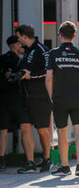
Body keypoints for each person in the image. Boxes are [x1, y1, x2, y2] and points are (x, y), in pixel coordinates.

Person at [46, 21, 79, 177]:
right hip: (78, 99)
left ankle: (65, 167)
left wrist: (51, 97)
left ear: (60, 36)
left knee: (62, 132)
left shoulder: (53, 54)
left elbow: (48, 78)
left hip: (59, 98)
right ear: (74, 36)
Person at [15, 25, 52, 173]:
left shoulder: (42, 49)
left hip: (40, 97)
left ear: (24, 36)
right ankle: (29, 162)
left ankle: (47, 159)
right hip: (25, 96)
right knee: (25, 128)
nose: (18, 40)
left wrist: (31, 75)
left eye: (18, 37)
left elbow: (49, 71)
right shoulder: (26, 51)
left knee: (42, 130)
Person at [0, 36, 28, 172]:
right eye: (19, 44)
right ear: (14, 45)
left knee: (2, 131)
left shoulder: (1, 59)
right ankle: (28, 159)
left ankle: (1, 160)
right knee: (25, 128)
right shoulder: (19, 61)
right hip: (17, 99)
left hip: (3, 99)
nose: (21, 46)